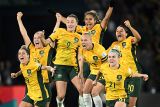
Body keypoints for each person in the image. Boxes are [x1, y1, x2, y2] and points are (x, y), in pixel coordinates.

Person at [11, 11, 61, 107]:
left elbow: (54, 34)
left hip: (44, 84)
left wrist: (58, 21)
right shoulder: (31, 48)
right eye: (34, 38)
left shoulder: (48, 48)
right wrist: (19, 19)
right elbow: (24, 34)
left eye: (39, 38)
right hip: (31, 86)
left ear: (43, 39)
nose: (36, 40)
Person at [41, 14, 84, 107]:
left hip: (73, 67)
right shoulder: (59, 31)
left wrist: (81, 70)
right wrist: (41, 37)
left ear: (77, 23)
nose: (70, 24)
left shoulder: (80, 37)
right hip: (60, 67)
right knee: (61, 95)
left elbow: (80, 55)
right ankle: (60, 102)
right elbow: (45, 43)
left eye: (72, 22)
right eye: (68, 22)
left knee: (82, 89)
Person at [106, 20, 142, 107]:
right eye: (117, 31)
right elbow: (104, 55)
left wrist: (129, 26)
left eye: (121, 31)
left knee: (131, 104)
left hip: (134, 75)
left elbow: (138, 38)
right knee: (123, 103)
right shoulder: (113, 45)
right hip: (122, 77)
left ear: (126, 34)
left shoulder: (129, 40)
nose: (119, 32)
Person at [80, 32, 107, 107]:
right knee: (85, 92)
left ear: (91, 40)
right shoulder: (83, 49)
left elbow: (107, 64)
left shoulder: (100, 50)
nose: (83, 42)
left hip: (103, 72)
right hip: (94, 72)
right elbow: (82, 59)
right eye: (82, 40)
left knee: (94, 93)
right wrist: (81, 71)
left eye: (85, 40)